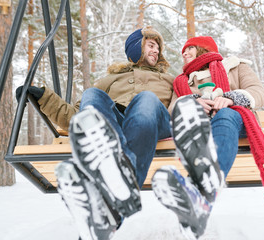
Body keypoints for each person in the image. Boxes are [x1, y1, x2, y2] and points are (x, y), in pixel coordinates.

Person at [17, 26, 174, 239]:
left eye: (158, 48)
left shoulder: (169, 80)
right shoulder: (110, 79)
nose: (157, 51)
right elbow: (79, 115)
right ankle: (107, 209)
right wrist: (44, 99)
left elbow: (183, 106)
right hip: (116, 126)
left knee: (145, 99)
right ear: (137, 46)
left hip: (154, 120)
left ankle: (118, 171)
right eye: (152, 45)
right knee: (92, 94)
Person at [151, 36, 264, 240]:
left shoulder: (235, 67)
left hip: (234, 119)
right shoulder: (181, 81)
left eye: (189, 48)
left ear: (204, 48)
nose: (184, 53)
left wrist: (230, 98)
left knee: (225, 116)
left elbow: (258, 92)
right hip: (200, 127)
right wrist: (193, 102)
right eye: (183, 51)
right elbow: (173, 109)